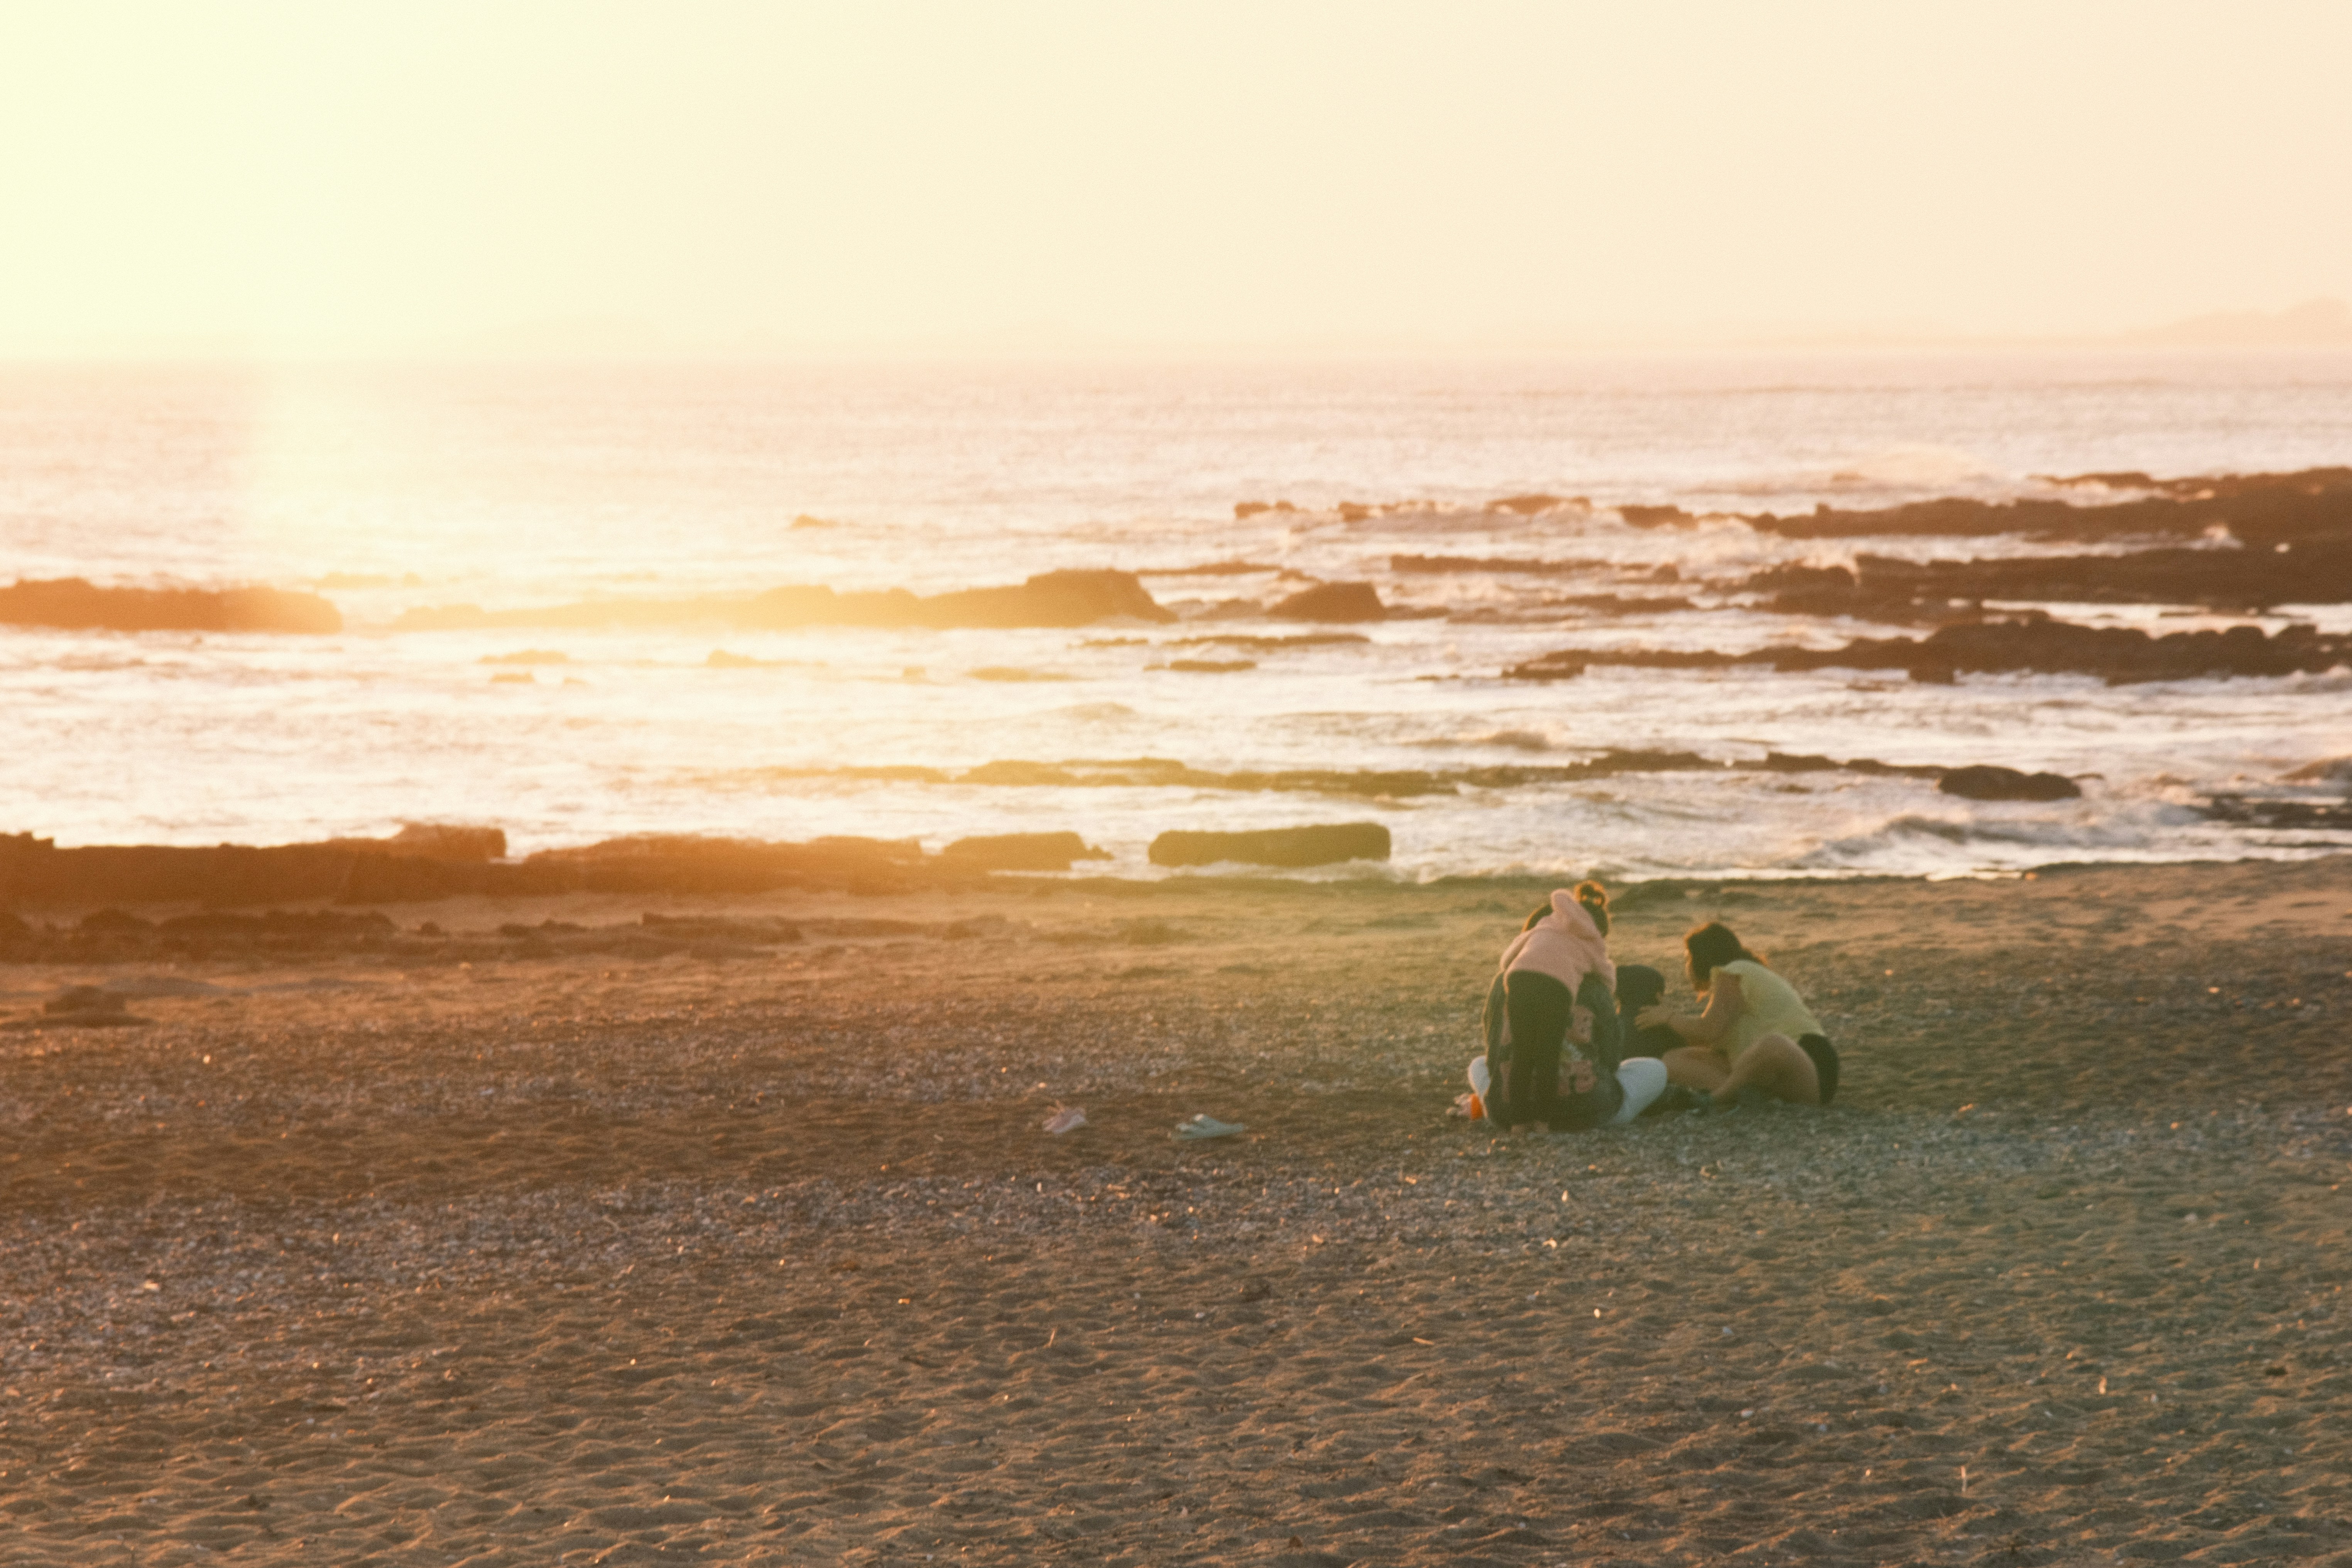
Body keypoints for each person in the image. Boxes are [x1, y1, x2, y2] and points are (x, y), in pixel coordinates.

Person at [1479, 883, 1668, 1131]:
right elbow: (1611, 1057)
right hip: (1585, 1112)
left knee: (1479, 1064)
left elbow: (1494, 1051)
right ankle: (1551, 1118)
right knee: (1655, 1069)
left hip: (1506, 1112)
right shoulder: (1595, 985)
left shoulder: (1503, 982)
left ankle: (1518, 1118)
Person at [1637, 921, 1839, 1108]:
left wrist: (1670, 1018)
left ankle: (1716, 1099)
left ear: (1701, 958)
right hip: (1770, 1076)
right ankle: (1746, 1096)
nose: (1688, 966)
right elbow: (1707, 1040)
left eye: (1688, 958)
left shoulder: (1735, 971)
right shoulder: (1733, 981)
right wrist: (1664, 1020)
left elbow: (1710, 1030)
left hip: (1810, 1068)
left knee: (1773, 1043)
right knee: (1673, 1060)